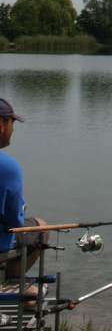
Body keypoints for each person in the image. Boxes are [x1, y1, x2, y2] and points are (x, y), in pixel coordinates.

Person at [0, 97, 47, 280]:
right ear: (2, 124)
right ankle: (14, 281)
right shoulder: (7, 167)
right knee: (41, 227)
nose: (13, 130)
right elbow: (15, 224)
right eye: (12, 123)